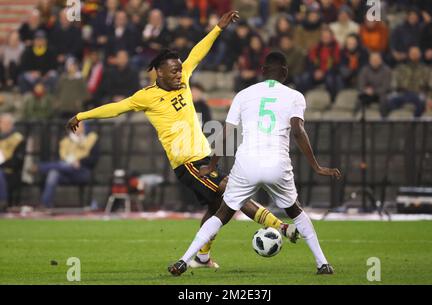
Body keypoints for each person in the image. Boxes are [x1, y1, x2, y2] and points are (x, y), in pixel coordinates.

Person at [66, 11, 299, 270]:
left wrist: (217, 29)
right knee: (232, 193)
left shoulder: (184, 76)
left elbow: (199, 51)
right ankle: (281, 227)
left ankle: (201, 256)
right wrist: (82, 115)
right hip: (187, 163)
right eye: (174, 71)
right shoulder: (146, 97)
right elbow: (116, 107)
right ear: (160, 74)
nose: (179, 74)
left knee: (217, 206)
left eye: (180, 69)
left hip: (204, 157)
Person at [168, 51, 341, 276]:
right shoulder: (295, 96)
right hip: (277, 163)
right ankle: (323, 264)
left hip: (247, 162)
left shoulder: (243, 94)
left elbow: (227, 132)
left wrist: (211, 166)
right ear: (286, 73)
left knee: (221, 213)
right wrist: (317, 166)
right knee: (296, 211)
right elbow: (298, 131)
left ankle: (183, 260)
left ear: (262, 72)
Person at [37, 121, 99, 208]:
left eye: (78, 126)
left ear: (84, 127)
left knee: (62, 166)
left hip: (82, 171)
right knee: (53, 173)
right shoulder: (66, 140)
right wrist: (71, 161)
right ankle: (45, 204)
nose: (76, 128)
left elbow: (94, 159)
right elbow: (61, 157)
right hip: (65, 170)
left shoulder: (91, 138)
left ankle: (41, 167)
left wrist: (80, 162)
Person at [0, 113, 25, 212]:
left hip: (10, 171)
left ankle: (2, 202)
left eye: (5, 123)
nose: (2, 126)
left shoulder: (18, 139)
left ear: (11, 125)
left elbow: (17, 161)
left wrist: (2, 163)